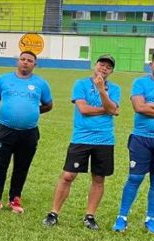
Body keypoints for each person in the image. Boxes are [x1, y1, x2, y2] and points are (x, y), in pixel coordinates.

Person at [43, 55, 120, 230]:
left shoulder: (114, 88)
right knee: (68, 175)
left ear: (111, 71)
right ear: (95, 65)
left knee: (99, 178)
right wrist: (107, 109)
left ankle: (89, 216)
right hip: (81, 138)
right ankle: (54, 213)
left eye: (108, 67)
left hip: (105, 139)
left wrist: (102, 91)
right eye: (102, 64)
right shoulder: (81, 84)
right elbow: (84, 109)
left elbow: (113, 108)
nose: (104, 68)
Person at [0, 51, 53, 213]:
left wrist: (32, 111)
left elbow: (48, 105)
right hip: (5, 130)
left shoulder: (41, 83)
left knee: (22, 166)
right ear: (17, 61)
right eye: (23, 59)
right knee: (0, 164)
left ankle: (15, 198)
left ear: (35, 64)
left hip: (29, 132)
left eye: (30, 60)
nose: (25, 62)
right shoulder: (3, 79)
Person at [112, 50, 154, 234]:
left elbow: (145, 106)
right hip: (141, 139)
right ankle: (122, 217)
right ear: (151, 64)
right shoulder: (140, 82)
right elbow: (139, 107)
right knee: (135, 178)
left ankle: (150, 219)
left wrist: (150, 105)